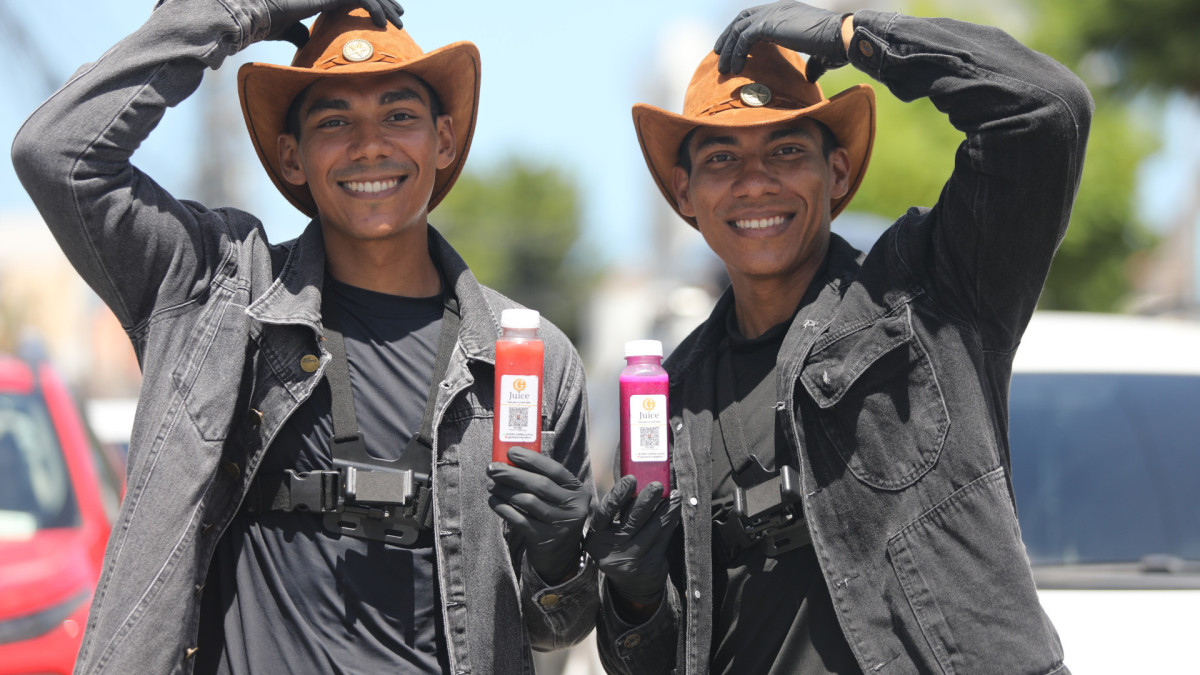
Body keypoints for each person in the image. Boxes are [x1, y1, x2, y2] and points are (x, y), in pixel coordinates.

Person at [12, 1, 598, 673]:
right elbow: (55, 154)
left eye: (398, 115)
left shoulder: (529, 363)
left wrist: (561, 558)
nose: (370, 143)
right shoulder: (216, 293)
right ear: (290, 155)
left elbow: (557, 628)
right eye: (334, 120)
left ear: (443, 140)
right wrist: (236, 11)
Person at [586, 1, 1093, 673]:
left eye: (787, 149)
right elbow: (658, 658)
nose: (755, 182)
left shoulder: (930, 292)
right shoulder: (667, 402)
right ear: (685, 192)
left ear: (840, 173)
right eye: (722, 157)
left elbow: (1046, 109)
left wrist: (856, 34)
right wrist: (635, 593)